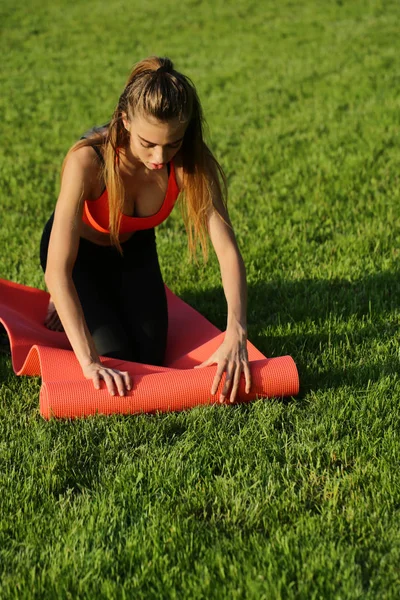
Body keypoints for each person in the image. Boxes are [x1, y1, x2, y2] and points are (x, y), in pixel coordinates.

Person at [40, 56, 251, 403]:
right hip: (80, 254)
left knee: (149, 357)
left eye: (172, 143)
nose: (160, 156)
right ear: (125, 120)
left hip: (133, 247)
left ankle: (101, 299)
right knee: (116, 357)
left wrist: (236, 331)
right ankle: (67, 302)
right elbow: (57, 268)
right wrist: (90, 363)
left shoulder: (190, 162)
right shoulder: (88, 161)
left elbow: (227, 248)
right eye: (148, 143)